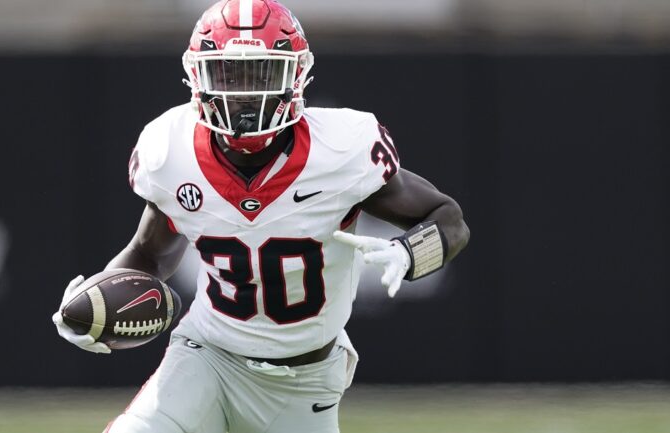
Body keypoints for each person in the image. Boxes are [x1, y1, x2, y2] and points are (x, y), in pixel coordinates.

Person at [52, 0, 470, 432]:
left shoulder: (343, 151)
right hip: (207, 356)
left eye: (262, 74)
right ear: (198, 76)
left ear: (296, 75)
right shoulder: (171, 152)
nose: (245, 94)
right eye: (229, 75)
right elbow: (149, 255)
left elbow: (449, 219)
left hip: (305, 381)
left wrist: (410, 252)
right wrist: (95, 304)